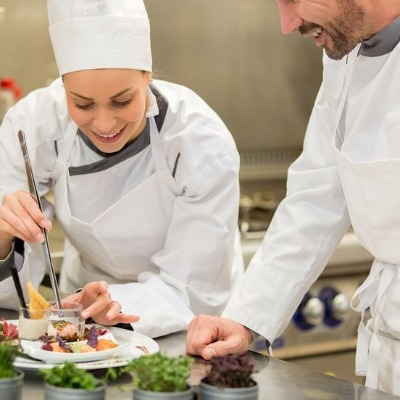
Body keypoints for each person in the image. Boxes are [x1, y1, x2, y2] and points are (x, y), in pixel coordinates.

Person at [186, 0, 400, 396]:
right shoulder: (344, 52)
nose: (287, 24)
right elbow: (316, 195)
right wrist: (245, 319)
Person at [0, 0, 242, 338]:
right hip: (78, 312)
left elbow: (192, 289)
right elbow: (16, 295)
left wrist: (116, 304)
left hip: (187, 324)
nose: (104, 123)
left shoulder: (200, 143)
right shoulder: (32, 128)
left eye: (122, 101)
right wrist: (4, 237)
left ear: (147, 76)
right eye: (81, 104)